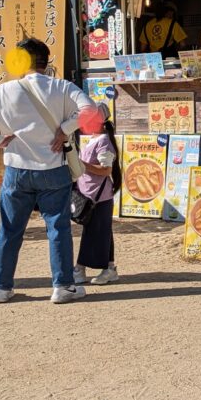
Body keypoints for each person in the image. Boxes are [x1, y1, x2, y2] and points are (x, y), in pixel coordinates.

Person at [0, 38, 95, 305]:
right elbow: (91, 110)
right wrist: (66, 129)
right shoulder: (62, 86)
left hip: (17, 168)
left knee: (10, 230)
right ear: (46, 61)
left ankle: (1, 287)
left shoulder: (6, 90)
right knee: (57, 228)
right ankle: (62, 285)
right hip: (52, 167)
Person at [73, 103, 120, 286]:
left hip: (98, 196)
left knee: (93, 233)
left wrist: (82, 164)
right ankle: (109, 269)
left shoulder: (103, 142)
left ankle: (79, 268)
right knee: (102, 232)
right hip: (91, 194)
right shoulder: (95, 139)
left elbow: (106, 169)